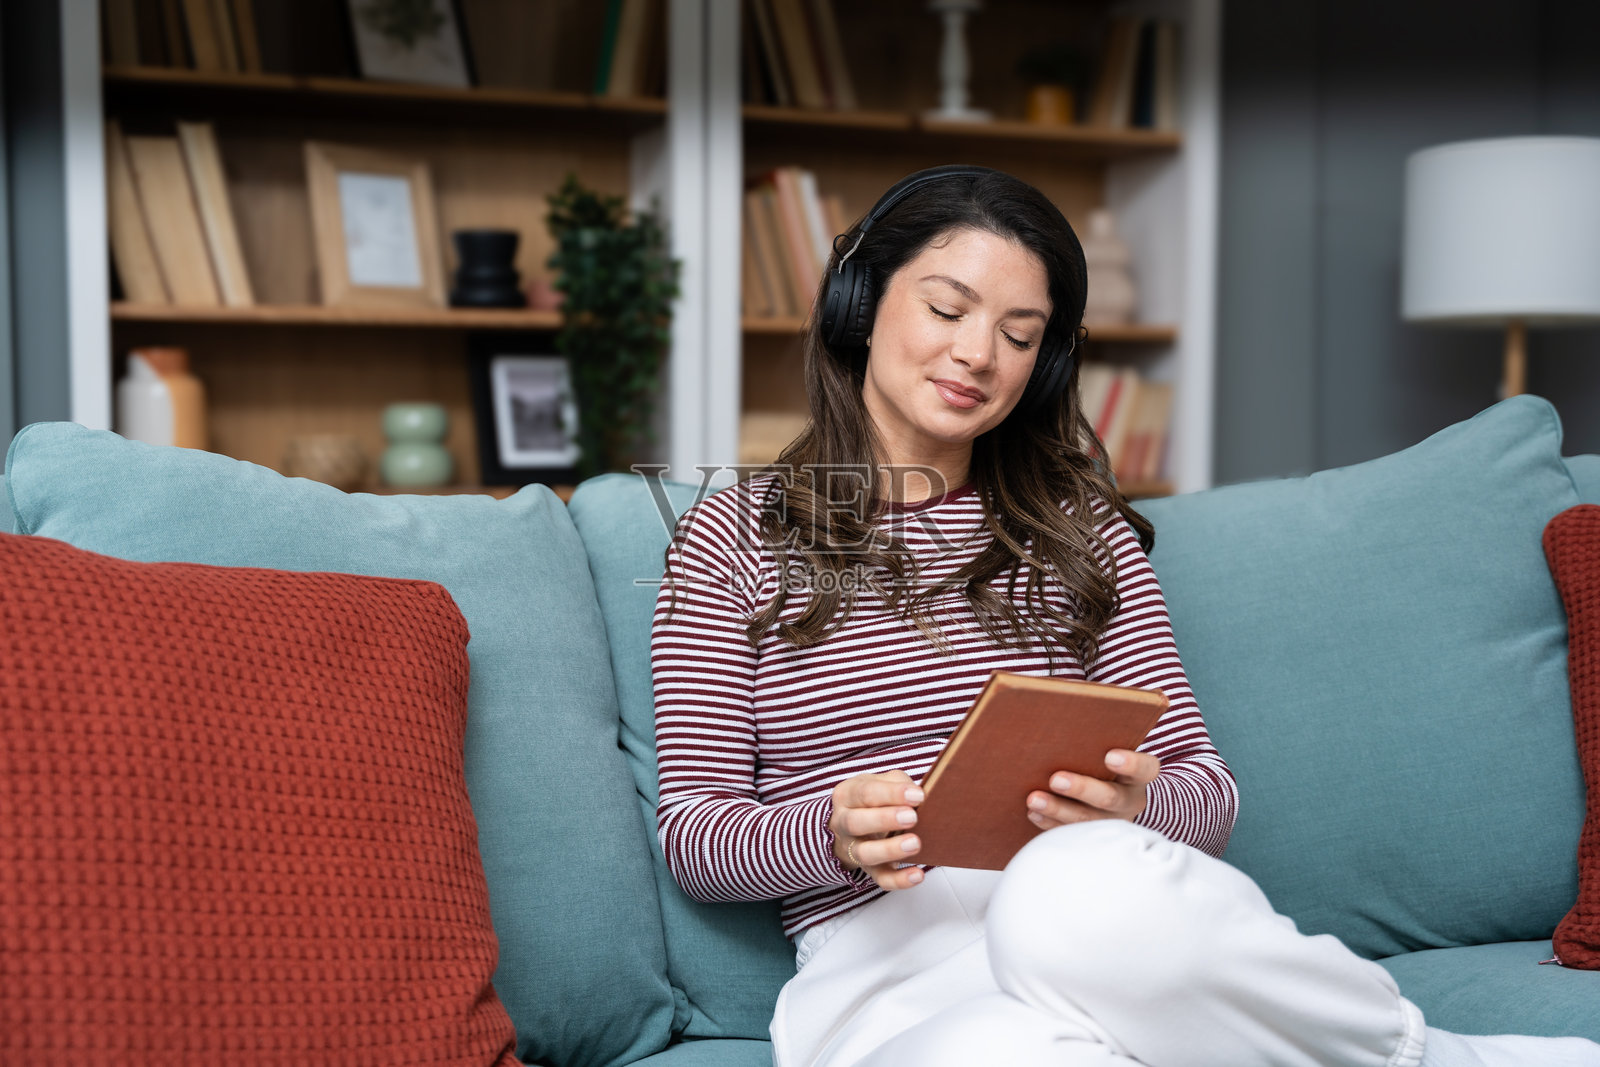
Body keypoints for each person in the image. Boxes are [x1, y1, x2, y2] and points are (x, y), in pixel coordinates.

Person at [649, 165, 1600, 1067]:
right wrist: (832, 832)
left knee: (1074, 886)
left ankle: (1425, 1055)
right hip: (884, 972)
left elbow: (1208, 790)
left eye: (1020, 336)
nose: (978, 354)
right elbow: (694, 833)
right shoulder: (732, 534)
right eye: (947, 308)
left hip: (1101, 924)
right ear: (862, 306)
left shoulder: (1077, 527)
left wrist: (1139, 804)